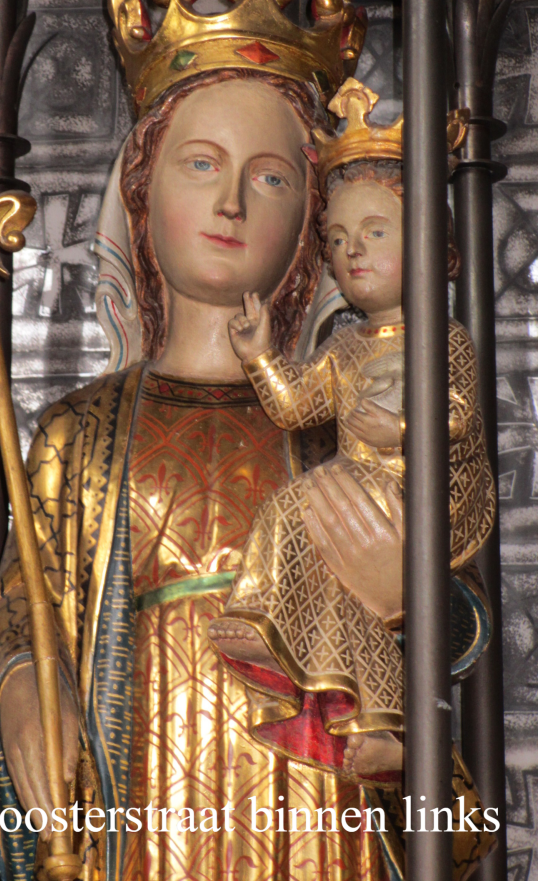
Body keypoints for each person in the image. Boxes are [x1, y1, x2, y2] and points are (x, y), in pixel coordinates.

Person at [0, 0, 485, 881]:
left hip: (315, 798)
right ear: (143, 193)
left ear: (313, 221)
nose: (231, 205)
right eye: (201, 164)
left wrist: (405, 597)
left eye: (272, 177)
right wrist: (23, 689)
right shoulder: (78, 435)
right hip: (149, 787)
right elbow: (23, 604)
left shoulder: (347, 420)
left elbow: (457, 615)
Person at [207, 79, 496, 788]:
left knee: (317, 519)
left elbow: (459, 411)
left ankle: (385, 714)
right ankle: (373, 716)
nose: (352, 252)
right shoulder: (343, 346)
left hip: (422, 499)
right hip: (354, 492)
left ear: (431, 242)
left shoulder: (442, 337)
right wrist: (259, 357)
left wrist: (402, 427)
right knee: (309, 542)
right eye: (336, 240)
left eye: (374, 233)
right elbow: (296, 408)